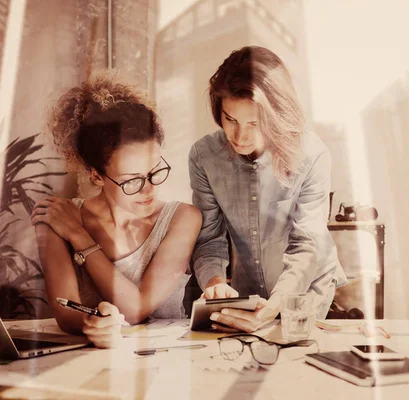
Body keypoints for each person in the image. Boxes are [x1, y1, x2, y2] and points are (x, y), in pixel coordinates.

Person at [31, 73, 203, 348]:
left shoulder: (182, 218)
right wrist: (91, 323)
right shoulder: (56, 219)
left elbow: (136, 309)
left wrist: (79, 237)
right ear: (96, 175)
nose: (149, 189)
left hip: (169, 366)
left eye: (155, 171)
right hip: (83, 365)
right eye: (132, 180)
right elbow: (65, 311)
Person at [188, 46, 347, 333]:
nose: (239, 136)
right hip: (246, 299)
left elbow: (307, 243)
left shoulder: (311, 154)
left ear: (276, 115)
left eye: (254, 123)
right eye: (230, 119)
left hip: (305, 292)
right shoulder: (203, 156)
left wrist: (278, 305)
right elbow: (209, 237)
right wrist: (215, 283)